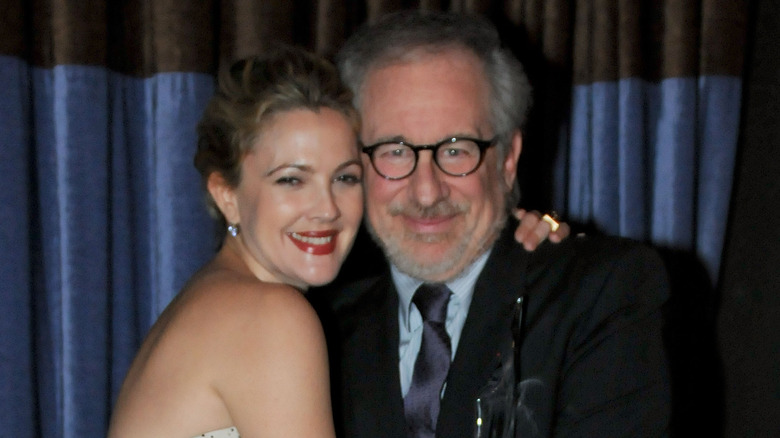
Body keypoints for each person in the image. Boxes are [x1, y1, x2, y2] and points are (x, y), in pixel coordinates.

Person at [108, 46, 564, 437]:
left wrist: (512, 240)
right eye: (291, 180)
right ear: (226, 195)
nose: (327, 208)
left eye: (345, 178)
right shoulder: (268, 316)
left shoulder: (216, 301)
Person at [310, 11, 671, 438]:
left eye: (457, 150)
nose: (427, 192)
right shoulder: (318, 329)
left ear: (508, 159)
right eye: (395, 151)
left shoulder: (599, 295)